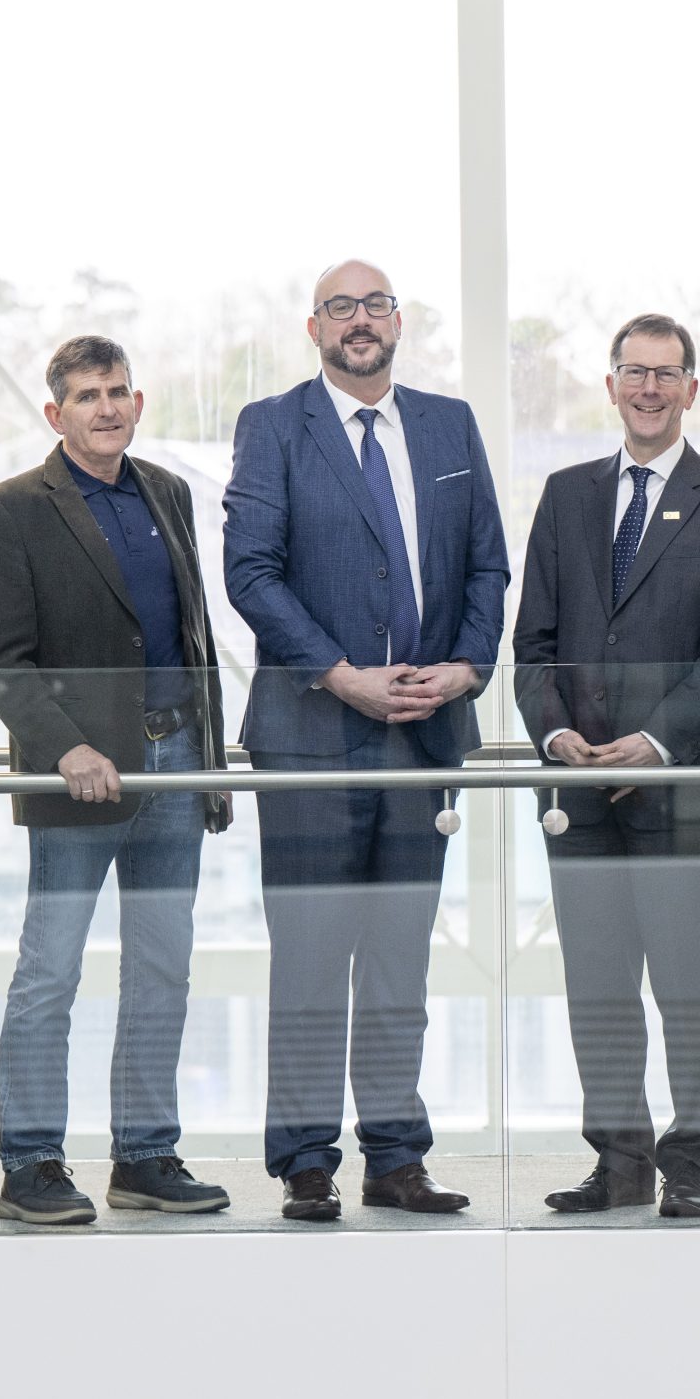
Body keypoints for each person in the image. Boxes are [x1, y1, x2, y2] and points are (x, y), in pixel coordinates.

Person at [223, 259, 509, 1222]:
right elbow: (251, 572)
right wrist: (340, 674)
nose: (360, 320)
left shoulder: (449, 424)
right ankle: (307, 1160)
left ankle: (396, 1155)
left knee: (399, 961)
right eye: (340, 307)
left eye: (375, 305)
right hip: (313, 732)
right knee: (310, 959)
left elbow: (487, 565)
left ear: (398, 321)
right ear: (314, 328)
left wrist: (467, 667)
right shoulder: (273, 426)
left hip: (425, 733)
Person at [512, 313, 700, 1219]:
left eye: (666, 374)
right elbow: (533, 644)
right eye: (635, 372)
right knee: (598, 988)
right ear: (611, 384)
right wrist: (557, 736)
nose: (649, 389)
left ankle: (694, 1161)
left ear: (692, 388)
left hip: (676, 791)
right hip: (577, 794)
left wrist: (656, 744)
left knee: (689, 986)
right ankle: (619, 1160)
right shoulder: (566, 495)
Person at [0, 336, 233, 1226]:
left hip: (176, 761)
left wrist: (210, 759)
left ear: (138, 401)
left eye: (118, 390)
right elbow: (4, 663)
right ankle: (30, 1164)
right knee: (50, 971)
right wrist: (66, 749)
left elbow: (192, 636)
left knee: (162, 967)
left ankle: (146, 1154)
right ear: (56, 414)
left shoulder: (168, 493)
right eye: (87, 395)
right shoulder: (12, 509)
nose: (107, 407)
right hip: (82, 776)